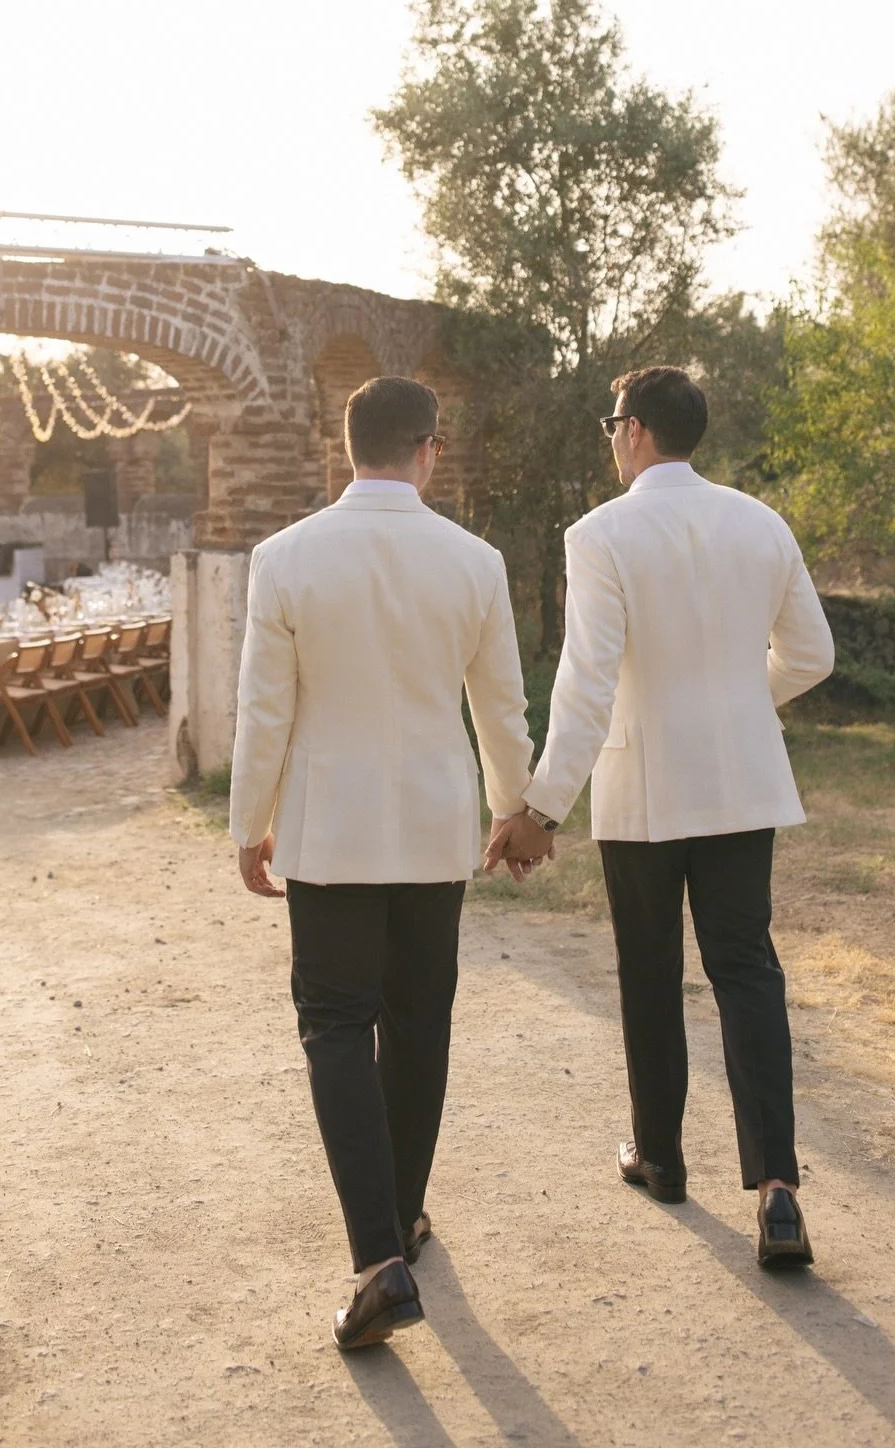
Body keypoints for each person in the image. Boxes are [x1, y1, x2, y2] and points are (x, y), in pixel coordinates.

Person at [486, 366, 834, 1267]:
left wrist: (542, 806)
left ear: (634, 430)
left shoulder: (602, 534)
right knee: (747, 971)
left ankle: (663, 1158)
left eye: (613, 425)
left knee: (649, 972)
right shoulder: (762, 523)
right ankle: (779, 1190)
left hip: (644, 789)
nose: (612, 439)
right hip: (742, 781)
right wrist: (736, 707)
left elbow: (587, 683)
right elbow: (812, 655)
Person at [231, 375, 536, 1349]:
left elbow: (264, 710)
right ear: (428, 449)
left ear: (345, 448)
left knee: (334, 1026)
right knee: (417, 1021)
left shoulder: (285, 558)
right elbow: (500, 706)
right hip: (435, 830)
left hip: (329, 831)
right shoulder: (475, 561)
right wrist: (515, 810)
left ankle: (379, 1260)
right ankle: (398, 1221)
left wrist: (249, 824)